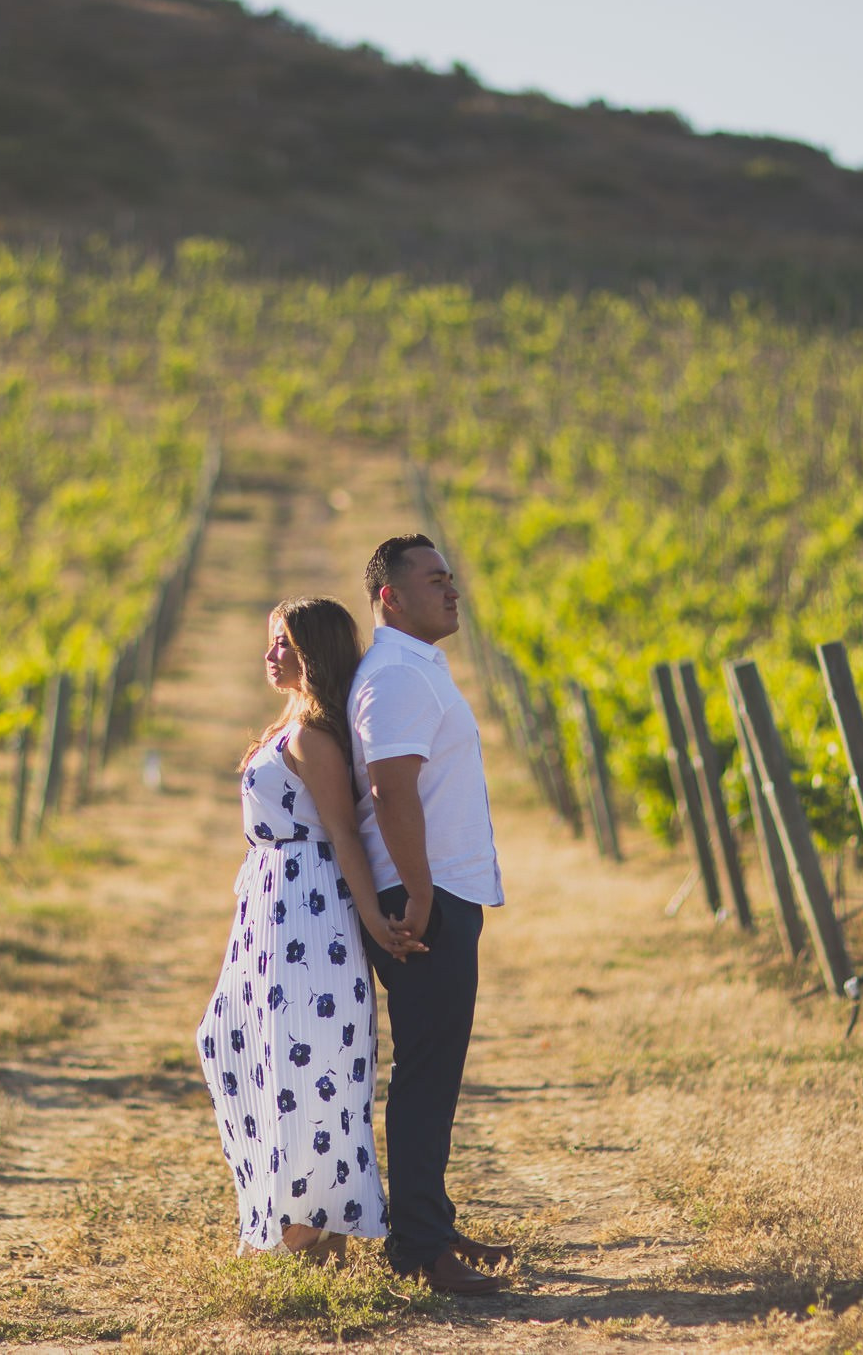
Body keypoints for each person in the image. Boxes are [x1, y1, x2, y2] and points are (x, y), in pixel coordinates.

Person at [196, 596, 410, 1261]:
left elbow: (343, 833)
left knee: (306, 1056)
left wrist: (373, 915)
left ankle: (312, 1226)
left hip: (309, 911)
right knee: (244, 1046)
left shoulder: (314, 736)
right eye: (269, 640)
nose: (270, 654)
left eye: (283, 642)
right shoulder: (291, 725)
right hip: (272, 909)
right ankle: (300, 1217)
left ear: (312, 651)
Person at [348, 534, 513, 1296]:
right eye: (435, 579)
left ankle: (429, 1222)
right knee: (425, 1072)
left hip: (439, 889)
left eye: (453, 576)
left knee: (434, 1069)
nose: (453, 590)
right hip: (426, 896)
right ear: (391, 597)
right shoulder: (397, 676)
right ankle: (418, 1247)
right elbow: (389, 788)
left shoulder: (412, 668)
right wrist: (416, 891)